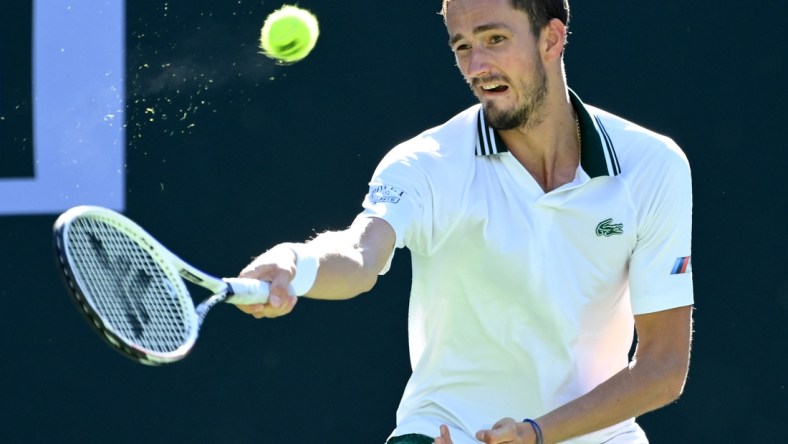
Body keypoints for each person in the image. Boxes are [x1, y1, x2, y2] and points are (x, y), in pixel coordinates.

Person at [236, 0, 695, 442]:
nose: (477, 67)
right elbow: (361, 254)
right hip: (447, 433)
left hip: (592, 437)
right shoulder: (425, 164)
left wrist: (535, 435)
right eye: (462, 47)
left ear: (552, 39)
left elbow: (663, 368)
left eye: (495, 39)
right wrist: (296, 262)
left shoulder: (653, 165)